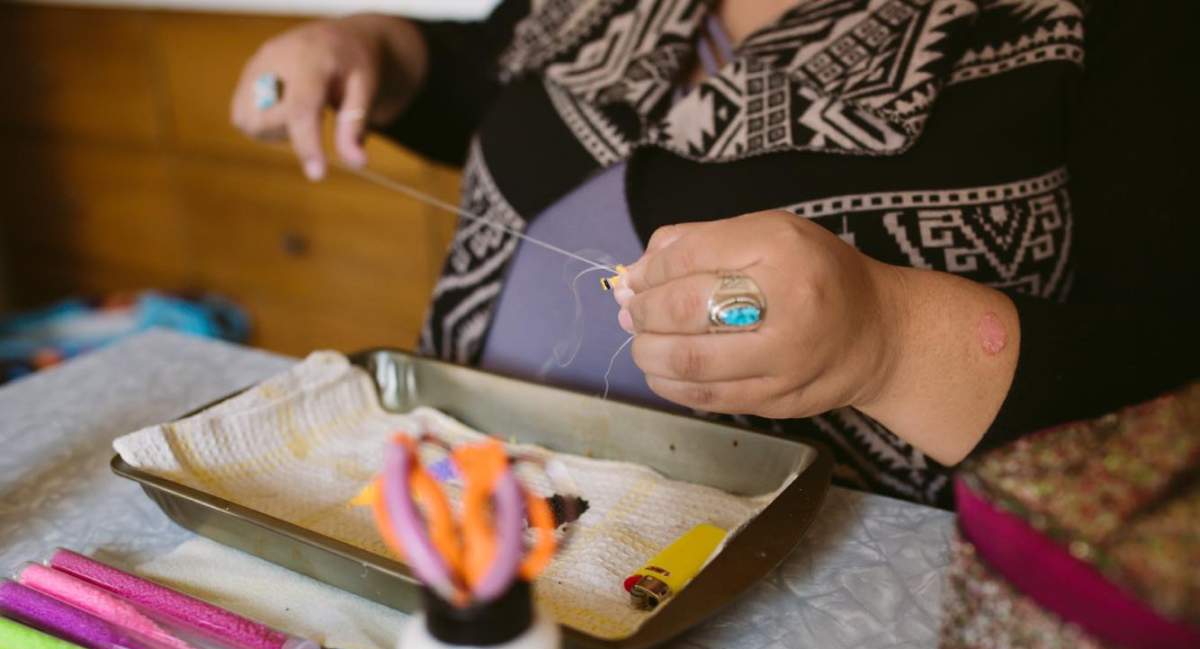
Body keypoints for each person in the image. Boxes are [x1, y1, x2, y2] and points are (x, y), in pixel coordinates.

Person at [230, 0, 1196, 508]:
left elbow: (1165, 389)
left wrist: (889, 341)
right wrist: (373, 49)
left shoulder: (1118, 25)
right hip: (454, 521)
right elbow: (499, 87)